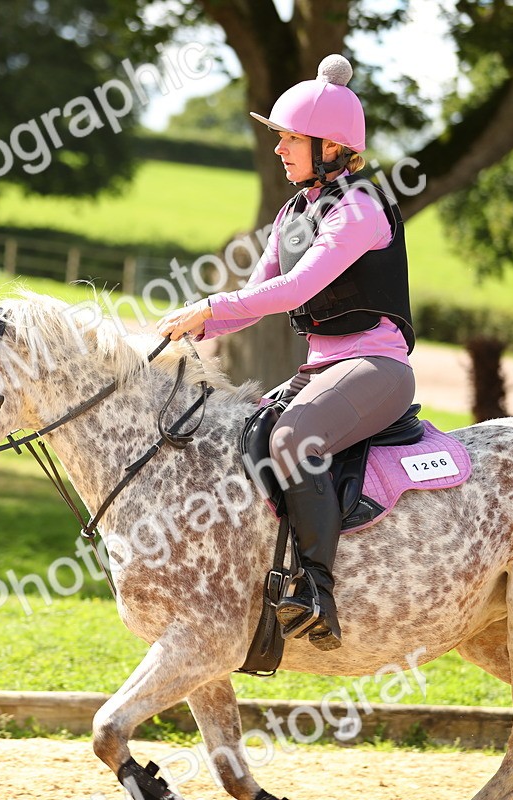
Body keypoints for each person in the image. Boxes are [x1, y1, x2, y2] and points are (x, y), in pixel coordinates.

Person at [156, 54, 416, 652]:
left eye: (291, 138)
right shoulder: (293, 213)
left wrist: (211, 307)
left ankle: (319, 593)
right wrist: (191, 333)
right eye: (280, 138)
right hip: (319, 367)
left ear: (330, 145)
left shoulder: (359, 209)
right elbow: (254, 297)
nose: (279, 149)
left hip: (375, 367)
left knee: (294, 439)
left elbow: (295, 290)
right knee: (237, 437)